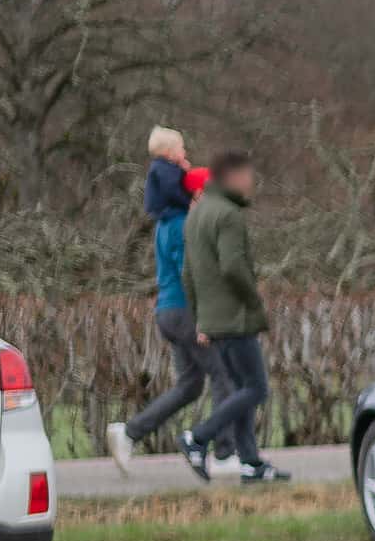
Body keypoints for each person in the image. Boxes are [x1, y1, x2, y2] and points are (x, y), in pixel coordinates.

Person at [108, 127, 216, 477]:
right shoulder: (182, 223)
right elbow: (190, 274)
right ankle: (227, 452)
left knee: (190, 385)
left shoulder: (166, 220)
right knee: (227, 375)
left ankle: (129, 433)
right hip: (186, 312)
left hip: (169, 312)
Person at [182, 149, 279, 483]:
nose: (251, 183)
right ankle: (198, 437)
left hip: (213, 319)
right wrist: (254, 302)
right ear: (233, 177)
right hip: (235, 317)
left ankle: (250, 464)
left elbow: (187, 275)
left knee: (241, 390)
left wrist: (200, 318)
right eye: (248, 176)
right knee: (256, 388)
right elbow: (233, 266)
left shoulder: (195, 214)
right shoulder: (228, 214)